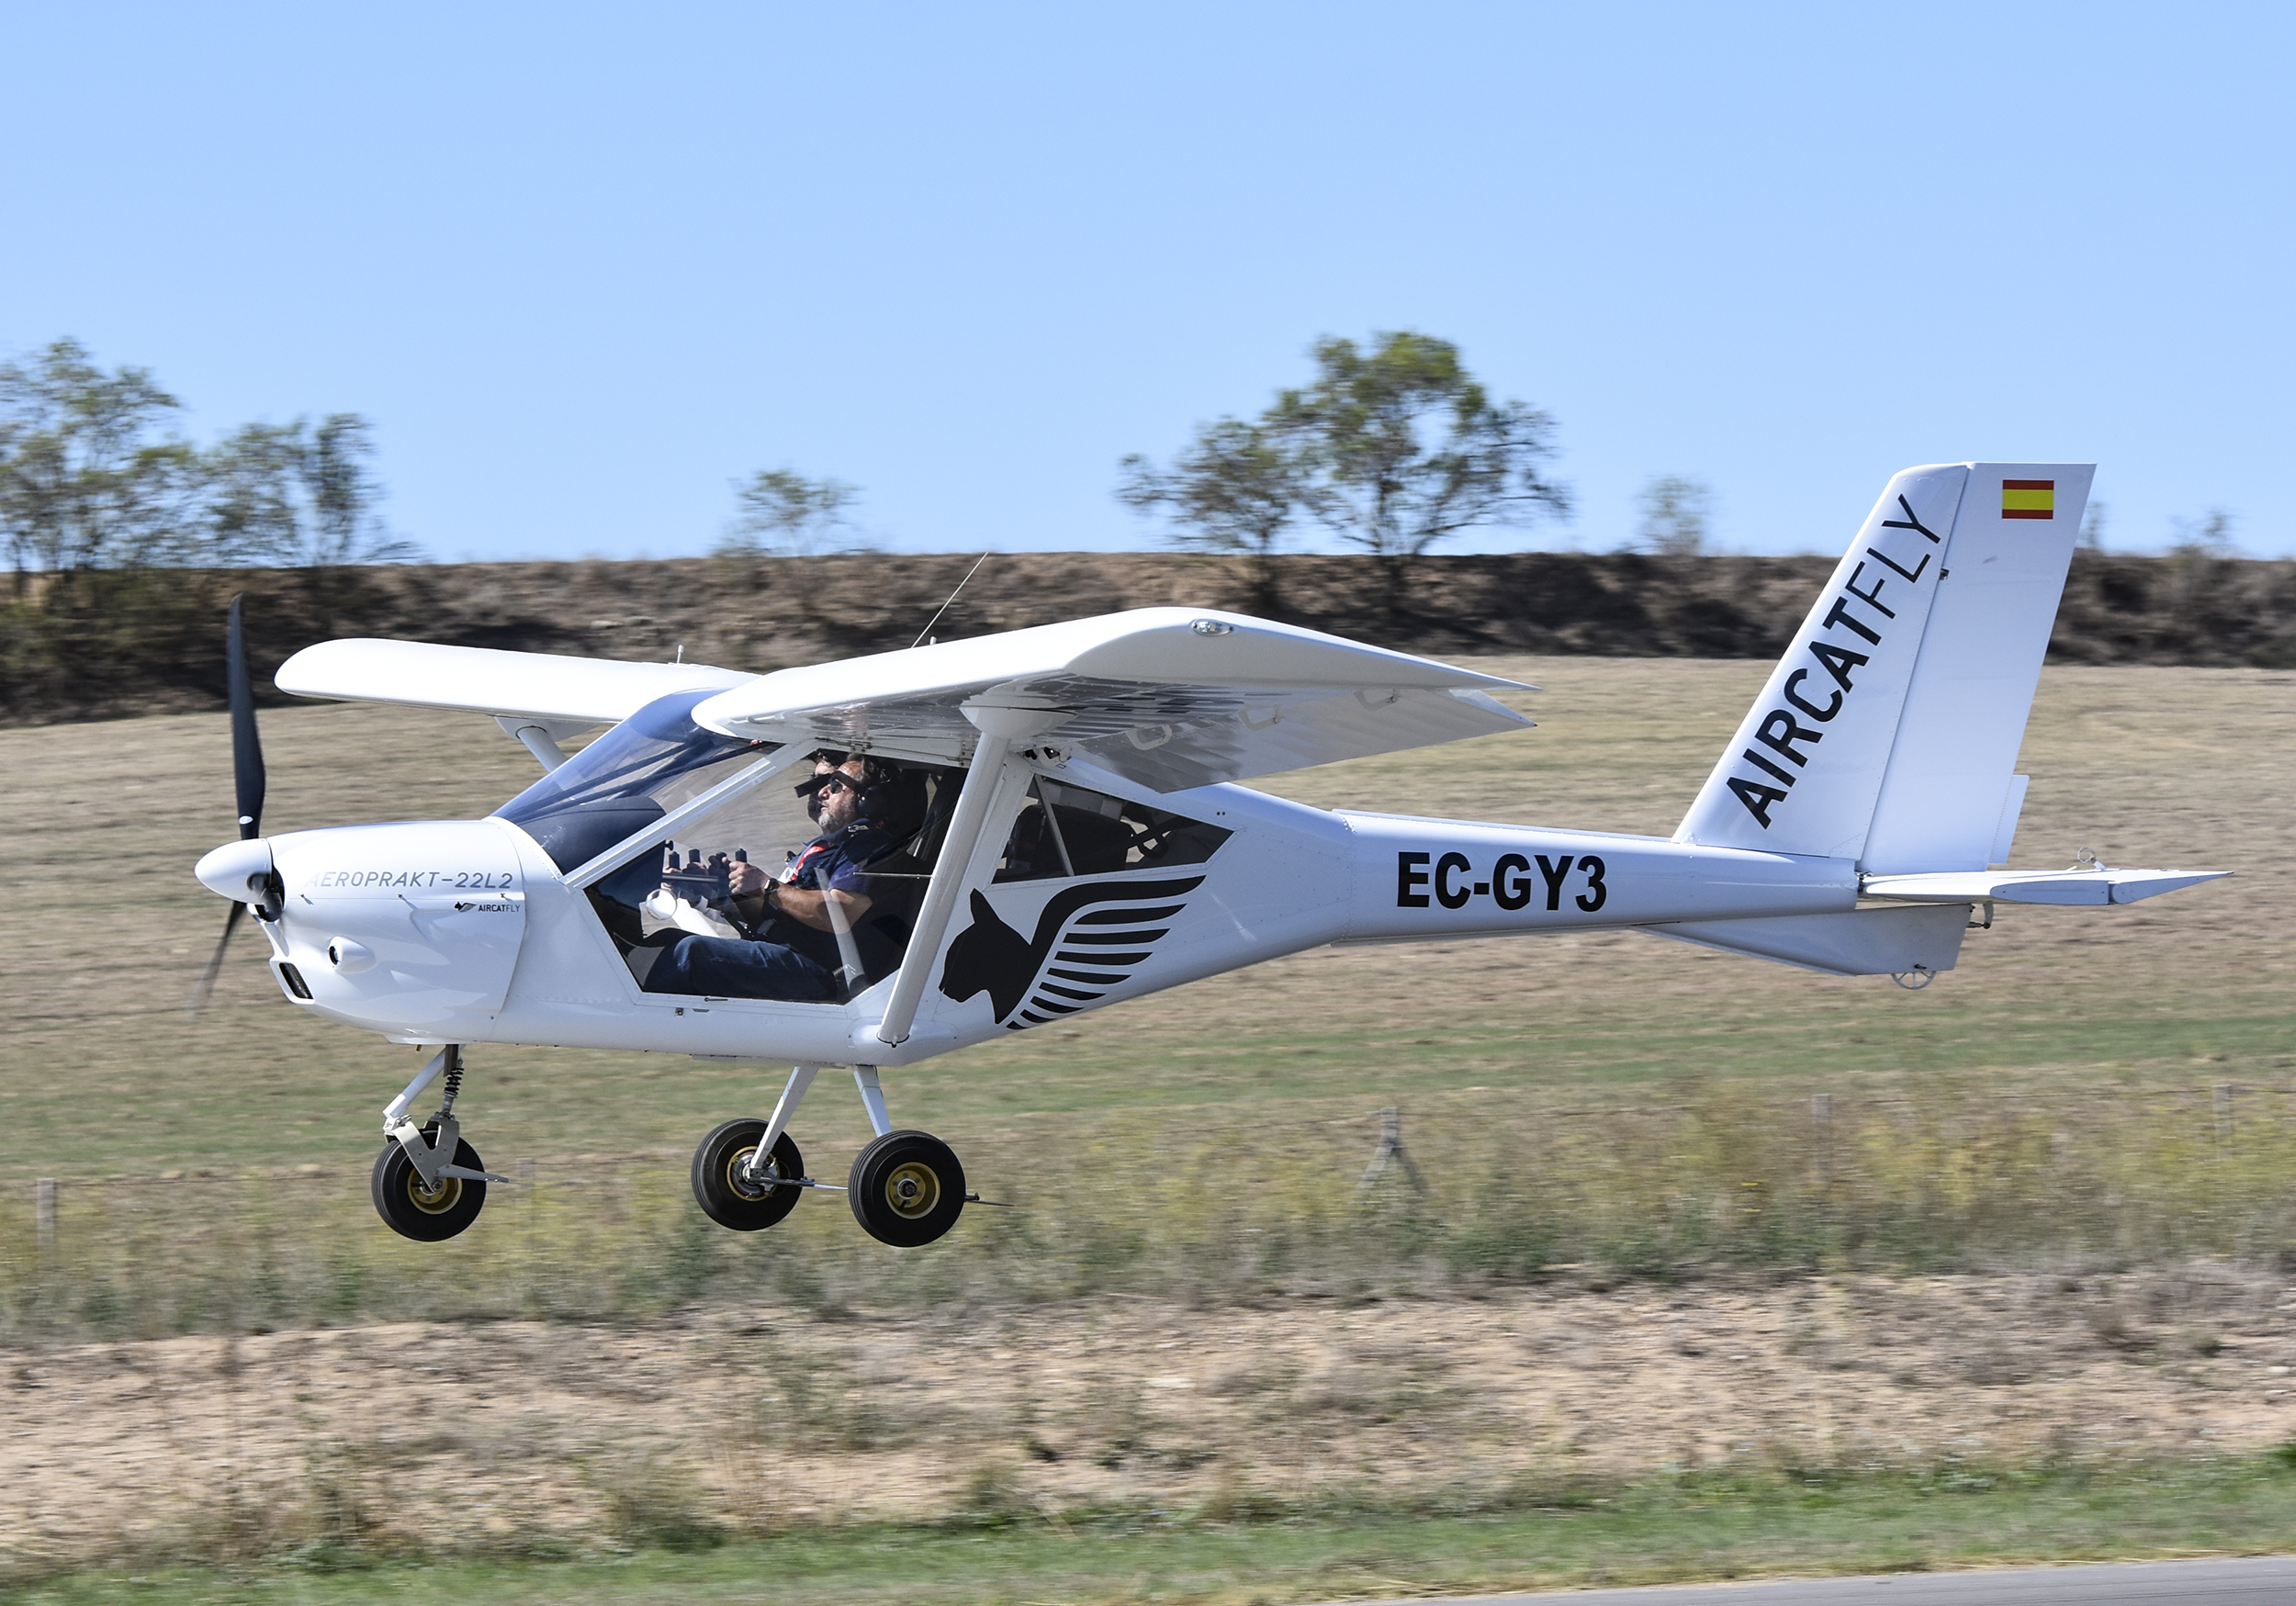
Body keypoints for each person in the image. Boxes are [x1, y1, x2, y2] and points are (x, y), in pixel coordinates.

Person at [639, 752, 906, 1003]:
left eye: (836, 786)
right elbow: (778, 914)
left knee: (691, 955)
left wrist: (766, 885)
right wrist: (716, 894)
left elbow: (839, 913)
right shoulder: (826, 848)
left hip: (822, 972)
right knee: (668, 940)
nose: (823, 791)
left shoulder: (869, 846)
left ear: (868, 800)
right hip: (790, 955)